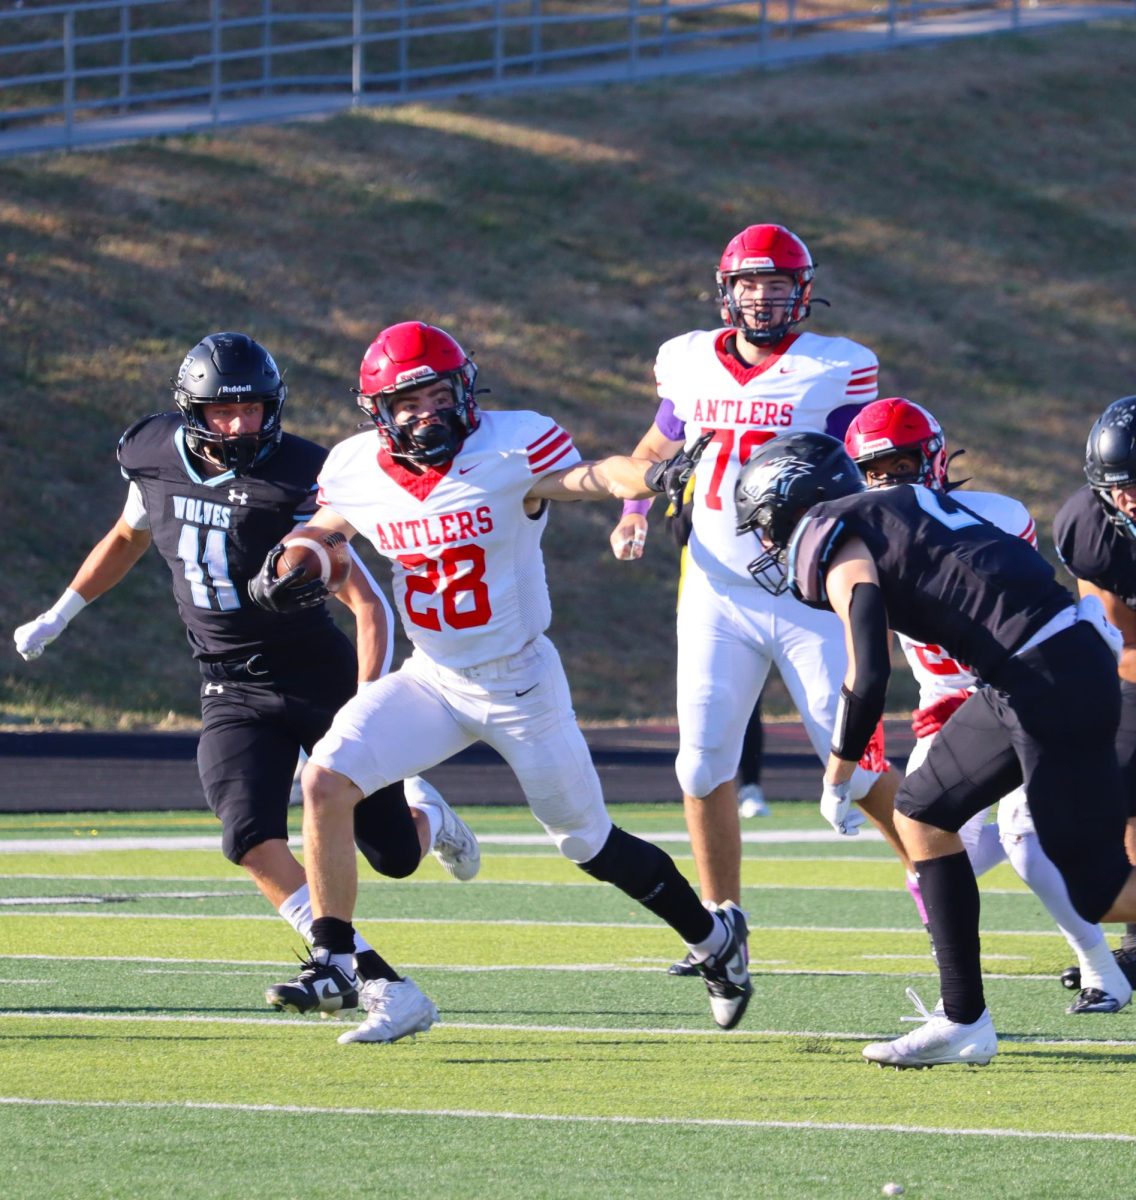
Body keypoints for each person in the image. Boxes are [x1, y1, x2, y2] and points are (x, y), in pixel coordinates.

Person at [254, 320, 752, 1040]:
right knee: (326, 780)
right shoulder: (359, 466)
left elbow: (589, 475)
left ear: (465, 389)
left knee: (588, 843)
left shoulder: (512, 444)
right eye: (408, 403)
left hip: (519, 681)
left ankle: (712, 938)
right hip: (432, 677)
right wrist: (289, 560)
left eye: (438, 395)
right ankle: (333, 957)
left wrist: (650, 477)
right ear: (379, 413)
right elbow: (328, 524)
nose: (427, 414)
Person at [12, 331, 480, 1044]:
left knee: (393, 857)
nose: (241, 425)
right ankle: (380, 983)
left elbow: (370, 605)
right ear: (191, 412)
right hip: (227, 685)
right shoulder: (152, 453)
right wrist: (61, 612)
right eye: (224, 412)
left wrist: (368, 704)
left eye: (254, 410)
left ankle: (428, 811)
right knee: (248, 835)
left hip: (315, 678)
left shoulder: (303, 478)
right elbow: (128, 537)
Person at [734, 430, 1136, 1068]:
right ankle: (964, 1020)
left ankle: (967, 1018)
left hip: (1049, 675)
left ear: (792, 502)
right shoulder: (902, 501)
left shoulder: (830, 531)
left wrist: (836, 775)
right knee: (921, 812)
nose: (765, 541)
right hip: (1029, 668)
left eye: (762, 524)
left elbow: (868, 672)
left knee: (1100, 893)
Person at [607, 222, 903, 926]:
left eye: (776, 286)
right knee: (702, 765)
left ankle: (936, 886)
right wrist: (632, 510)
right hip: (714, 586)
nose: (763, 300)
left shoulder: (836, 367)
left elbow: (875, 453)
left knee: (859, 766)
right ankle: (720, 925)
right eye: (750, 285)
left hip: (808, 587)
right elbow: (659, 442)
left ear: (802, 293)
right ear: (725, 291)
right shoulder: (687, 360)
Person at [845, 397, 1132, 1015]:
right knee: (927, 852)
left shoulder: (995, 516)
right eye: (877, 470)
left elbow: (1010, 626)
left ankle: (1101, 970)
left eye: (904, 463)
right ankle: (961, 1009)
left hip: (1022, 690)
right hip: (948, 707)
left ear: (935, 458)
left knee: (1028, 837)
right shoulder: (861, 536)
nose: (892, 481)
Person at [1053, 393, 1136, 987]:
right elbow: (1118, 638)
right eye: (1118, 486)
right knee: (1123, 773)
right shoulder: (1089, 526)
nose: (1127, 498)